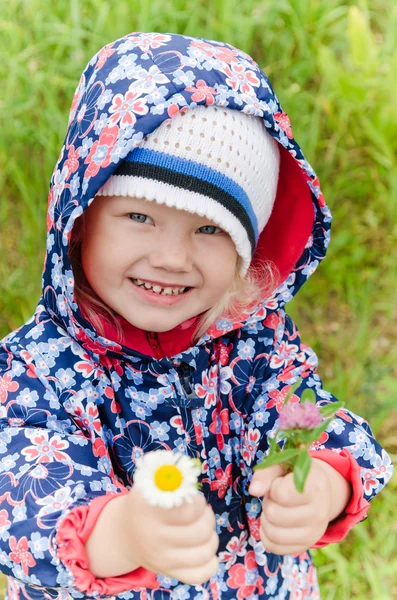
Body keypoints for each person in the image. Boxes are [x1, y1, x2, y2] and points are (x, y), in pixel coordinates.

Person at [0, 31, 392, 600]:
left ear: (244, 251)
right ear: (81, 216)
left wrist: (322, 485)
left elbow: (309, 417)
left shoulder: (251, 343)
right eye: (139, 216)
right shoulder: (34, 372)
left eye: (210, 229)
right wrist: (125, 532)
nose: (171, 258)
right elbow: (23, 497)